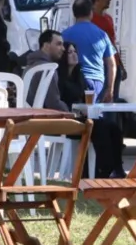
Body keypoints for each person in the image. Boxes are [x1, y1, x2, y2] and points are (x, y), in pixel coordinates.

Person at [51, 41, 126, 178]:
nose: (74, 55)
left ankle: (117, 167)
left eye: (75, 52)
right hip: (68, 120)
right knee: (100, 128)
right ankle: (102, 169)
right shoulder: (59, 77)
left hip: (81, 116)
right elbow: (58, 101)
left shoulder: (79, 74)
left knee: (113, 127)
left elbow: (84, 95)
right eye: (69, 52)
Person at [61, 0, 117, 104]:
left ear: (74, 14)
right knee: (95, 117)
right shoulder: (101, 35)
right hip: (97, 82)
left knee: (76, 116)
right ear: (91, 13)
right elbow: (111, 64)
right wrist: (110, 89)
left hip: (74, 82)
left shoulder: (64, 34)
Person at [90, 0, 126, 99]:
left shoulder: (108, 18)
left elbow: (112, 43)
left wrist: (121, 65)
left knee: (113, 100)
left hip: (114, 64)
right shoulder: (90, 19)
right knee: (101, 100)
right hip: (100, 66)